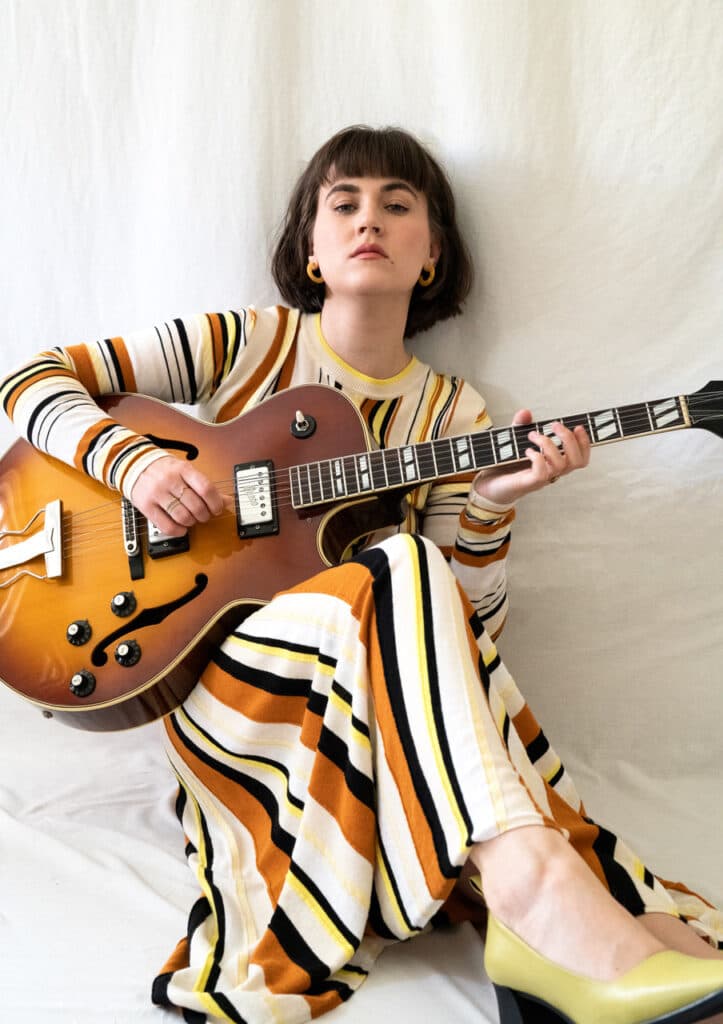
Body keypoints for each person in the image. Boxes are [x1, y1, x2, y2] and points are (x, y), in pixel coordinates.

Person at [1, 125, 722, 1024]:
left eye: (396, 204)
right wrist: (134, 465)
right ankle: (540, 898)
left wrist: (491, 503)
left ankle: (554, 903)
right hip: (234, 689)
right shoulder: (250, 341)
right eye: (342, 203)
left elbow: (461, 637)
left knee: (406, 566)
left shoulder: (453, 413)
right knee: (399, 560)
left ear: (432, 254)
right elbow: (30, 379)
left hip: (365, 705)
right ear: (310, 249)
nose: (367, 219)